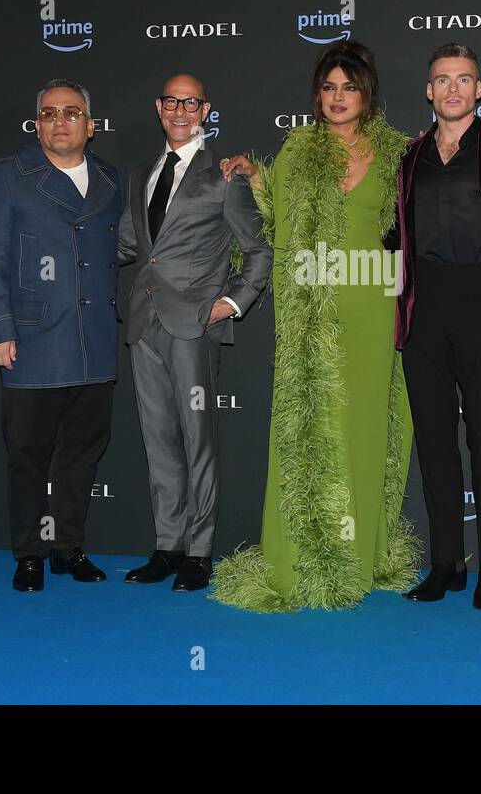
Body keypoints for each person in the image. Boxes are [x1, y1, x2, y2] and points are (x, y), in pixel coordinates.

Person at [212, 40, 418, 611]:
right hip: (310, 310)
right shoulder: (298, 149)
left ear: (367, 93)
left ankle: (362, 553)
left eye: (348, 87)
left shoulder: (401, 154)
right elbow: (273, 222)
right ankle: (300, 556)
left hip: (374, 306)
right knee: (310, 426)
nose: (337, 98)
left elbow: (414, 234)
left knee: (366, 423)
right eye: (328, 88)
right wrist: (254, 179)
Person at [391, 43, 481, 610]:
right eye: (442, 80)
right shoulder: (409, 156)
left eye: (464, 80)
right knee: (433, 439)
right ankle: (446, 562)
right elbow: (392, 236)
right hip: (423, 307)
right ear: (429, 92)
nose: (453, 89)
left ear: (479, 90)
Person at [117, 74, 272, 593]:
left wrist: (231, 303)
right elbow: (128, 245)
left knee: (197, 439)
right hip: (144, 323)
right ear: (159, 107)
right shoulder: (141, 174)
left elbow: (259, 249)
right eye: (171, 101)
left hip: (193, 326)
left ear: (205, 110)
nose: (180, 110)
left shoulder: (225, 175)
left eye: (191, 102)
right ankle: (168, 545)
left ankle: (199, 552)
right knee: (157, 439)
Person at [0, 79, 123, 593]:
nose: (61, 121)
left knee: (81, 455)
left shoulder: (110, 180)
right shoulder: (6, 177)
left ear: (91, 125)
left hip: (95, 342)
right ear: (36, 123)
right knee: (29, 458)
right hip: (32, 340)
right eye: (50, 113)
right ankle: (29, 555)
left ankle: (67, 549)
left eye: (72, 112)